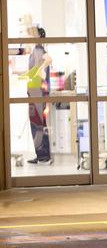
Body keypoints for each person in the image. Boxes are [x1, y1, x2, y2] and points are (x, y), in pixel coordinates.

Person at [25, 25, 53, 165]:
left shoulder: (39, 50)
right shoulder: (34, 51)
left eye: (29, 35)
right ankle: (41, 154)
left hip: (39, 95)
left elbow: (48, 59)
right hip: (34, 94)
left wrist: (40, 69)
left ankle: (44, 156)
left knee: (38, 125)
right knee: (35, 124)